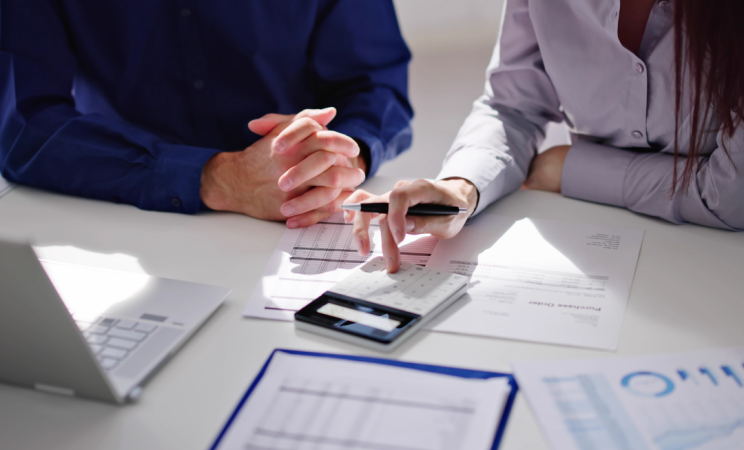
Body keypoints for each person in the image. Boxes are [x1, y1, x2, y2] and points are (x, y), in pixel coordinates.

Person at [347, 0, 744, 273]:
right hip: (602, 244)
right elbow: (513, 107)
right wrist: (459, 188)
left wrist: (573, 168)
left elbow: (732, 195)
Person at [0, 1, 412, 228]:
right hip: (119, 208)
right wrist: (220, 178)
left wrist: (338, 156)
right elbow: (23, 124)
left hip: (297, 206)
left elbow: (375, 81)